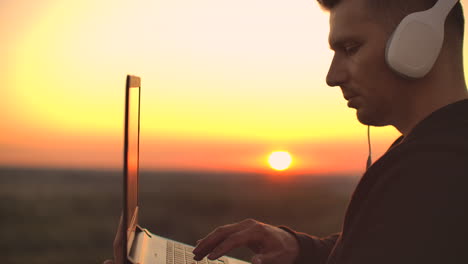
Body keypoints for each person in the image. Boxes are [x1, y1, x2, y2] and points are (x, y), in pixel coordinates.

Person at [104, 0, 468, 263]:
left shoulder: (433, 171)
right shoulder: (436, 153)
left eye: (350, 48)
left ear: (417, 46)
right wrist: (299, 249)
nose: (332, 76)